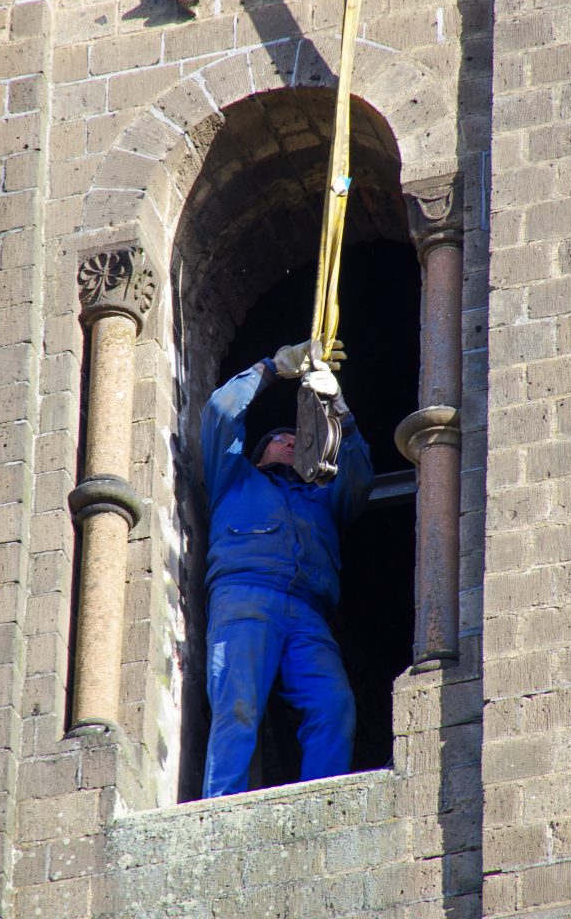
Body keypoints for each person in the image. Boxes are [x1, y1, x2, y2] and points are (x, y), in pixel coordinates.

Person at [201, 340, 374, 798]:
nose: (292, 440)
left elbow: (359, 477)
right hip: (245, 595)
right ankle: (219, 808)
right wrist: (272, 367)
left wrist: (340, 410)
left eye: (297, 440)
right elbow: (221, 411)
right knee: (237, 706)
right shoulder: (235, 479)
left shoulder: (320, 500)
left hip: (308, 611)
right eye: (280, 438)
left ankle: (320, 798)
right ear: (259, 453)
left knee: (334, 705)